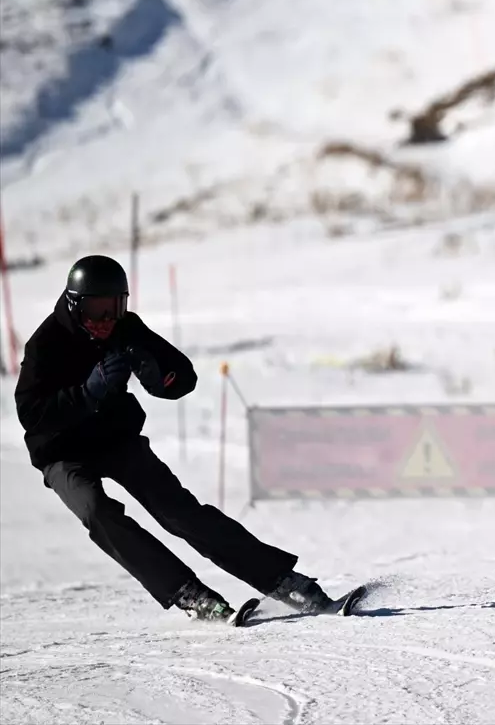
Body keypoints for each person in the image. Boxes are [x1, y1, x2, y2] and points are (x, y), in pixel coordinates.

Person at [14, 255, 337, 621]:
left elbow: (183, 376)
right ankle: (190, 595)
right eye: (96, 309)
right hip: (62, 452)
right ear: (74, 304)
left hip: (116, 439)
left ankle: (285, 583)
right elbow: (31, 414)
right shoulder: (45, 344)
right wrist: (86, 394)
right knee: (97, 512)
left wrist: (159, 376)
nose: (106, 320)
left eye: (115, 307)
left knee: (179, 512)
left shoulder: (126, 328)